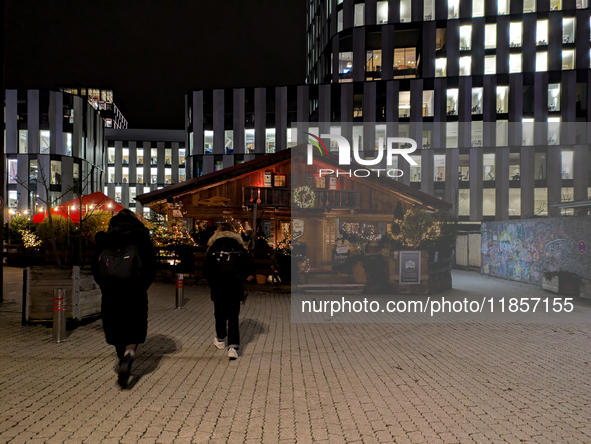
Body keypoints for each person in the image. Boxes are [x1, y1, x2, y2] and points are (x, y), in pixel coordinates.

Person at [92, 209, 156, 388]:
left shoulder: (107, 238)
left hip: (111, 291)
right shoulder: (141, 238)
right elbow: (150, 266)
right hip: (135, 291)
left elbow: (95, 265)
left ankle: (121, 356)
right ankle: (129, 354)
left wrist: (104, 285)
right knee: (134, 325)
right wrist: (142, 285)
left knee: (114, 325)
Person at [203, 223, 254, 360]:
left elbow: (206, 269)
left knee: (219, 314)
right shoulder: (239, 246)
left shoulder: (213, 246)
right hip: (234, 285)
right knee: (233, 316)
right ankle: (232, 347)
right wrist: (240, 277)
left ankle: (220, 339)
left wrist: (212, 281)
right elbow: (247, 267)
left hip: (218, 285)